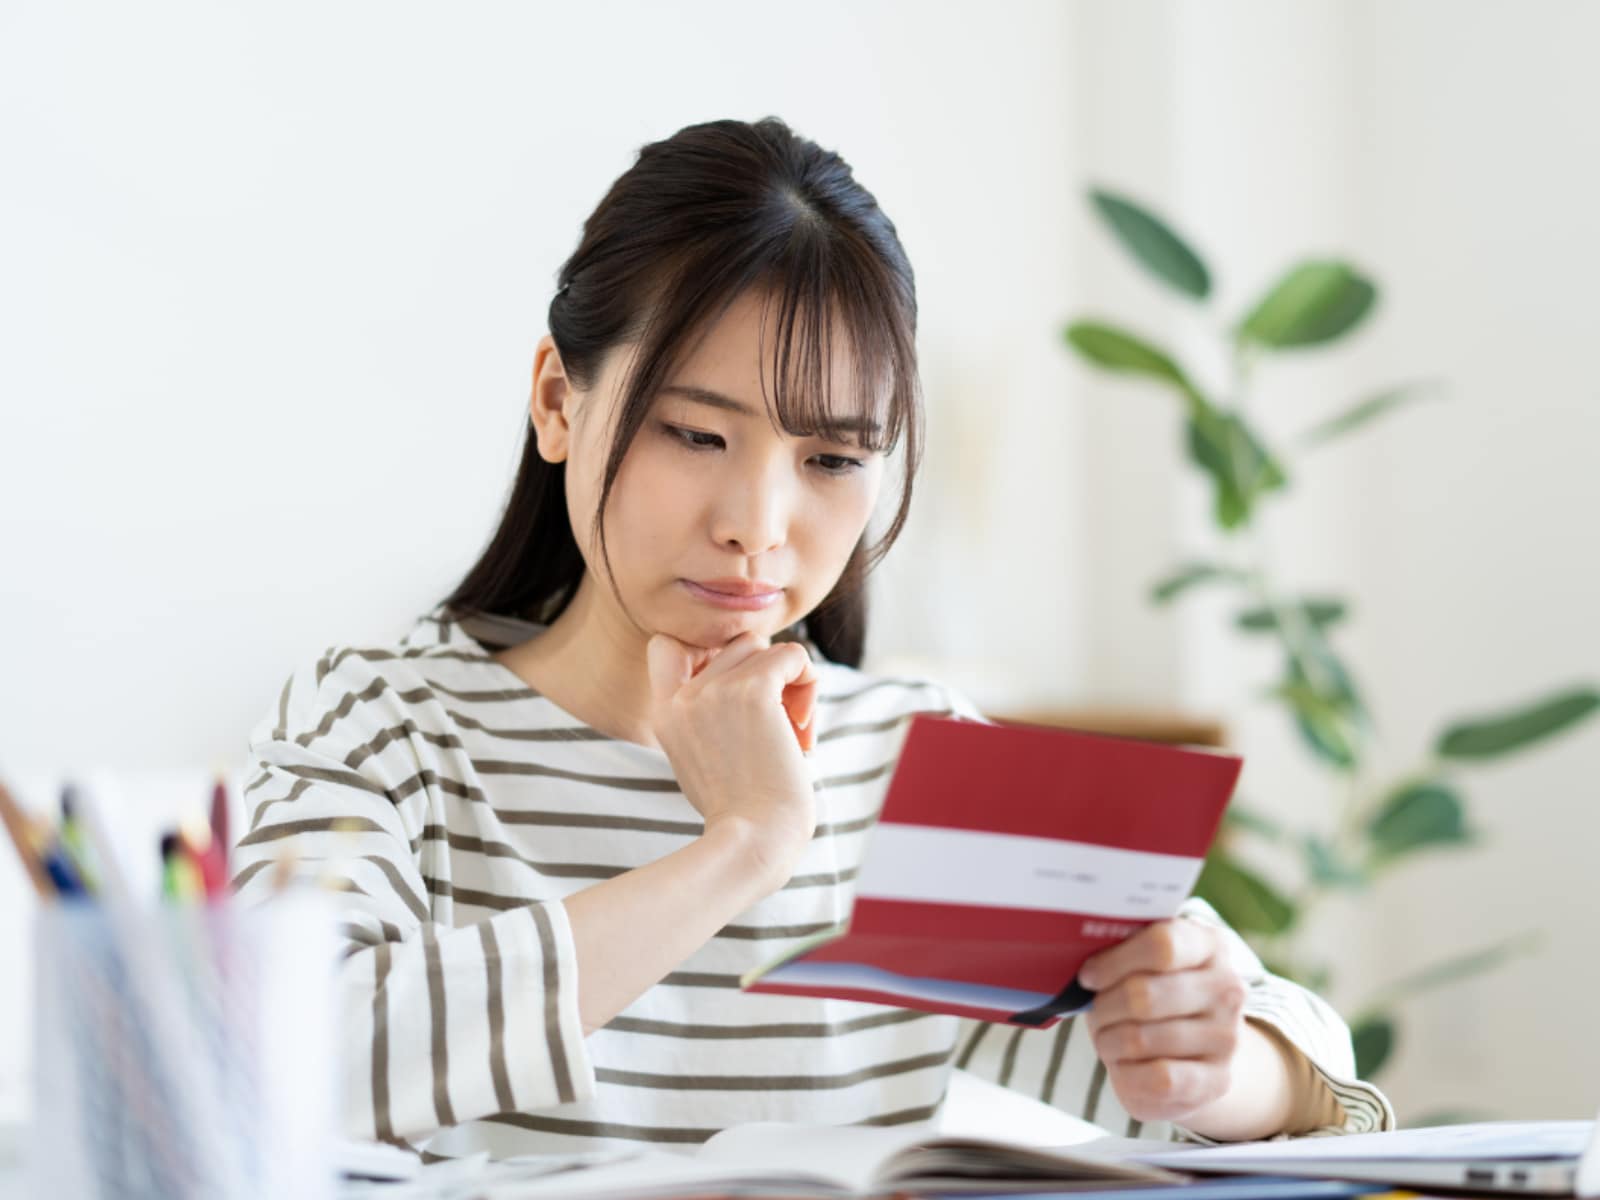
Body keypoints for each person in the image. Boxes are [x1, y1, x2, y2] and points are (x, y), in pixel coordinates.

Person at [232, 116, 1392, 1162]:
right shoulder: (380, 727)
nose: (756, 527)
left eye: (832, 461)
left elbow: (1303, 1062)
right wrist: (743, 844)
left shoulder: (915, 767)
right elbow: (276, 1069)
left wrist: (1222, 1061)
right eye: (695, 433)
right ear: (556, 401)